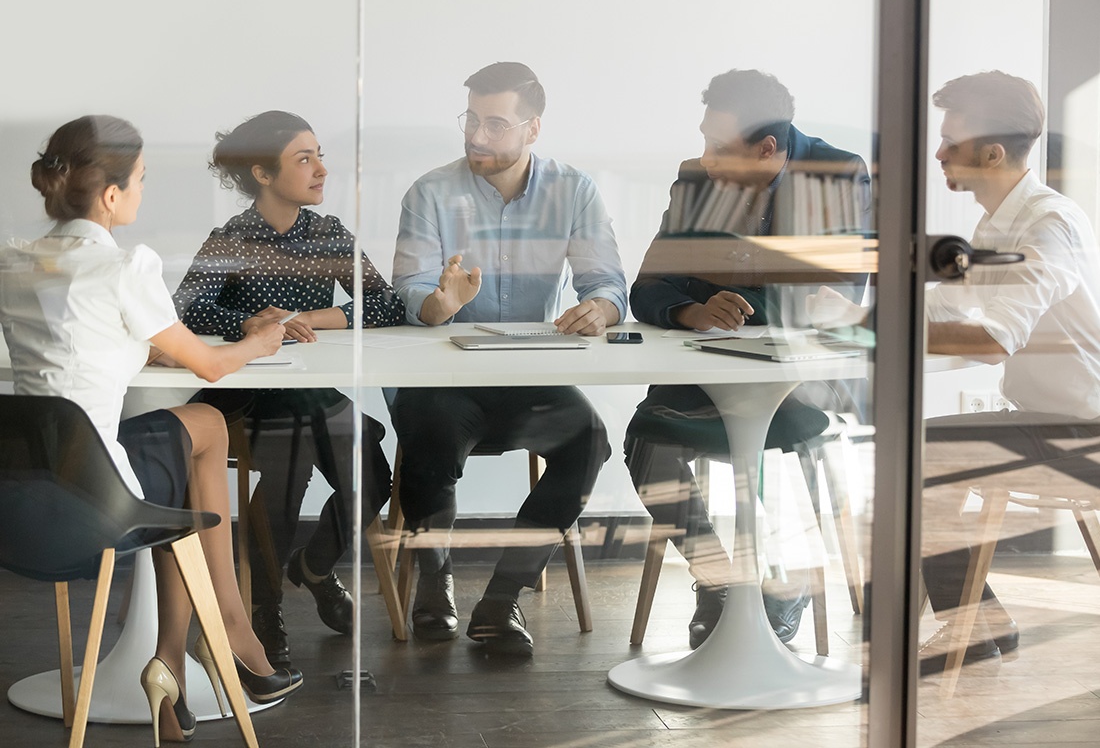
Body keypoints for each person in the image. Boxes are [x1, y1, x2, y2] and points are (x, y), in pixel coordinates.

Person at [0, 115, 303, 745]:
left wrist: (150, 349)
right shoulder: (126, 266)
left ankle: (174, 661)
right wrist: (263, 341)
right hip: (97, 505)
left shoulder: (14, 264)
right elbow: (213, 368)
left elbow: (77, 346)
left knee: (179, 455)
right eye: (140, 180)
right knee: (210, 427)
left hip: (24, 502)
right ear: (111, 196)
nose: (142, 191)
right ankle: (222, 634)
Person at [625, 69, 872, 649]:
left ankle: (784, 581)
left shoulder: (837, 174)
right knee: (644, 441)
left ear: (767, 149)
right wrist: (690, 311)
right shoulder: (695, 179)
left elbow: (837, 293)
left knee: (768, 450)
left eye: (718, 148)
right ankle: (725, 584)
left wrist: (743, 304)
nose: (704, 159)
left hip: (799, 380)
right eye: (703, 140)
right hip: (703, 375)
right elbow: (647, 288)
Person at [390, 61, 627, 655]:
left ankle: (503, 599)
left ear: (533, 129)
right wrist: (437, 303)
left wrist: (601, 307)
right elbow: (410, 290)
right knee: (428, 434)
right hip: (445, 376)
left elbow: (609, 282)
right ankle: (434, 580)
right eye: (471, 119)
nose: (476, 136)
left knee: (589, 439)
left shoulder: (574, 190)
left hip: (528, 376)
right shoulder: (430, 192)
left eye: (496, 124)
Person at [173, 111, 405, 667]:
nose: (322, 169)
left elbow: (388, 304)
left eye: (319, 154)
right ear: (263, 173)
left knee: (372, 472)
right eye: (305, 159)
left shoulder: (328, 234)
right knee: (288, 460)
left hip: (308, 395)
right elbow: (183, 310)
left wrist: (313, 315)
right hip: (244, 395)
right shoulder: (232, 237)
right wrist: (251, 323)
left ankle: (314, 566)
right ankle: (262, 605)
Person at [920, 71, 1100, 673]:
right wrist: (857, 312)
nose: (939, 152)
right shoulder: (997, 223)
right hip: (1046, 417)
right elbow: (949, 305)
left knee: (917, 452)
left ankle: (969, 624)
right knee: (918, 449)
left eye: (950, 140)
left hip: (1085, 431)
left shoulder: (1050, 226)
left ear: (991, 153)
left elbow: (995, 338)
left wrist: (874, 333)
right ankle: (972, 621)